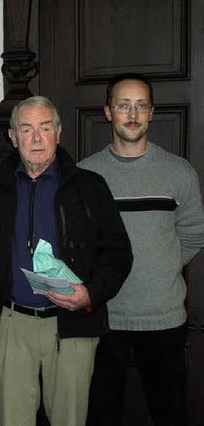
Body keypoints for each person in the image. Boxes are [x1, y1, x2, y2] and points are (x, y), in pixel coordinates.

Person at [0, 96, 133, 425]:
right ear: (12, 136)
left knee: (69, 419)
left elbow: (118, 253)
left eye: (45, 128)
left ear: (58, 133)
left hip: (72, 325)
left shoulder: (89, 187)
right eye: (26, 129)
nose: (36, 138)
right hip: (11, 323)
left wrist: (91, 293)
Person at [79, 73, 204, 426]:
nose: (132, 115)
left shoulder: (179, 173)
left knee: (170, 415)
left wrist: (161, 268)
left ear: (151, 113)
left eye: (141, 106)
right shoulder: (86, 175)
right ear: (108, 113)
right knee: (101, 415)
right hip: (104, 317)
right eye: (123, 105)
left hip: (163, 318)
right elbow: (79, 243)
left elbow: (194, 233)